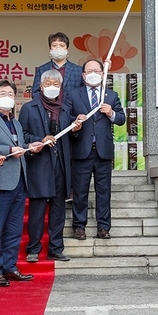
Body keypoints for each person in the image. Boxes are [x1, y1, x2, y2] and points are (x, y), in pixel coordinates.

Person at [0, 80, 43, 286]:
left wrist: (30, 147)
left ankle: (10, 266)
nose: (8, 97)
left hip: (19, 181)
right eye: (3, 93)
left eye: (11, 94)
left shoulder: (16, 122)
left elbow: (19, 146)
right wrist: (9, 151)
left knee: (13, 230)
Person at [20, 69, 77, 262]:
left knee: (58, 210)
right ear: (41, 86)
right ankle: (34, 248)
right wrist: (39, 140)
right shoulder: (29, 108)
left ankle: (56, 248)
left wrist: (76, 129)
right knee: (37, 210)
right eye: (48, 84)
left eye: (56, 84)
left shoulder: (66, 109)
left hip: (60, 165)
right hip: (39, 164)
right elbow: (23, 136)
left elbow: (71, 138)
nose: (52, 87)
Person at [69, 59, 126, 241]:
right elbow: (66, 118)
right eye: (89, 71)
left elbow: (122, 119)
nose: (93, 73)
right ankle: (79, 226)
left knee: (104, 191)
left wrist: (111, 113)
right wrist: (74, 123)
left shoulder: (111, 95)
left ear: (103, 74)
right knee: (80, 191)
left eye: (97, 70)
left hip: (103, 151)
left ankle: (104, 227)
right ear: (83, 75)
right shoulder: (73, 95)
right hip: (81, 149)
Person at [30, 32, 83, 98]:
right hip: (47, 107)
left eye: (62, 45)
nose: (58, 48)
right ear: (50, 49)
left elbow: (83, 93)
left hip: (72, 108)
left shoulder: (78, 70)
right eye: (54, 45)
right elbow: (35, 93)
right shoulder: (42, 69)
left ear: (67, 50)